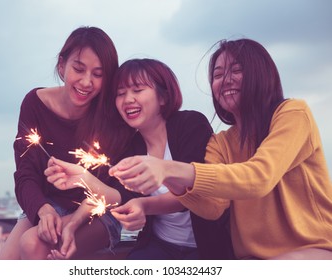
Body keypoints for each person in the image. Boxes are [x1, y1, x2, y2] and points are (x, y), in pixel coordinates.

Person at [109, 39, 332, 260]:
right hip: (250, 259)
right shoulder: (220, 142)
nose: (225, 80)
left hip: (313, 248)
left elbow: (260, 177)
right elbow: (212, 207)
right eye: (217, 75)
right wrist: (167, 177)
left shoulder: (292, 113)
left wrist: (167, 169)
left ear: (261, 74)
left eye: (236, 70)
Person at [47, 58, 234, 259]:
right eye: (120, 94)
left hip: (206, 248)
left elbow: (190, 195)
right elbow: (118, 196)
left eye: (137, 90)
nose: (127, 100)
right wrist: (82, 181)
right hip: (160, 246)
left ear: (163, 97)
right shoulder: (132, 147)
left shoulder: (190, 124)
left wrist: (144, 206)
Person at [0, 26, 134, 260]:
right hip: (49, 203)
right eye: (78, 69)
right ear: (62, 65)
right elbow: (25, 173)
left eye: (98, 74)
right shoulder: (34, 104)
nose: (86, 82)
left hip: (99, 211)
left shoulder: (113, 117)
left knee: (32, 245)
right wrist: (42, 209)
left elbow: (120, 191)